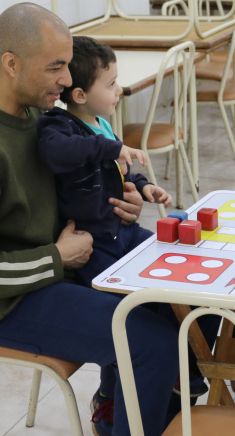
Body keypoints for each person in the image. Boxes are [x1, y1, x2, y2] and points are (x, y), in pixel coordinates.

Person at [0, 3, 180, 436]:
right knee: (149, 341)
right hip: (7, 303)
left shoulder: (34, 114)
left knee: (171, 302)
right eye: (56, 67)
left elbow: (73, 180)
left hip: (57, 268)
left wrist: (121, 198)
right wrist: (57, 257)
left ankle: (118, 412)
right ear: (11, 64)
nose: (67, 80)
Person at [37, 36, 172, 287]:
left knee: (164, 261)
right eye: (110, 84)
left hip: (125, 231)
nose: (119, 90)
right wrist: (110, 148)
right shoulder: (58, 124)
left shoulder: (103, 125)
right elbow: (55, 151)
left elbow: (120, 175)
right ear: (79, 95)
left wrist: (143, 186)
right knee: (112, 294)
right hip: (93, 242)